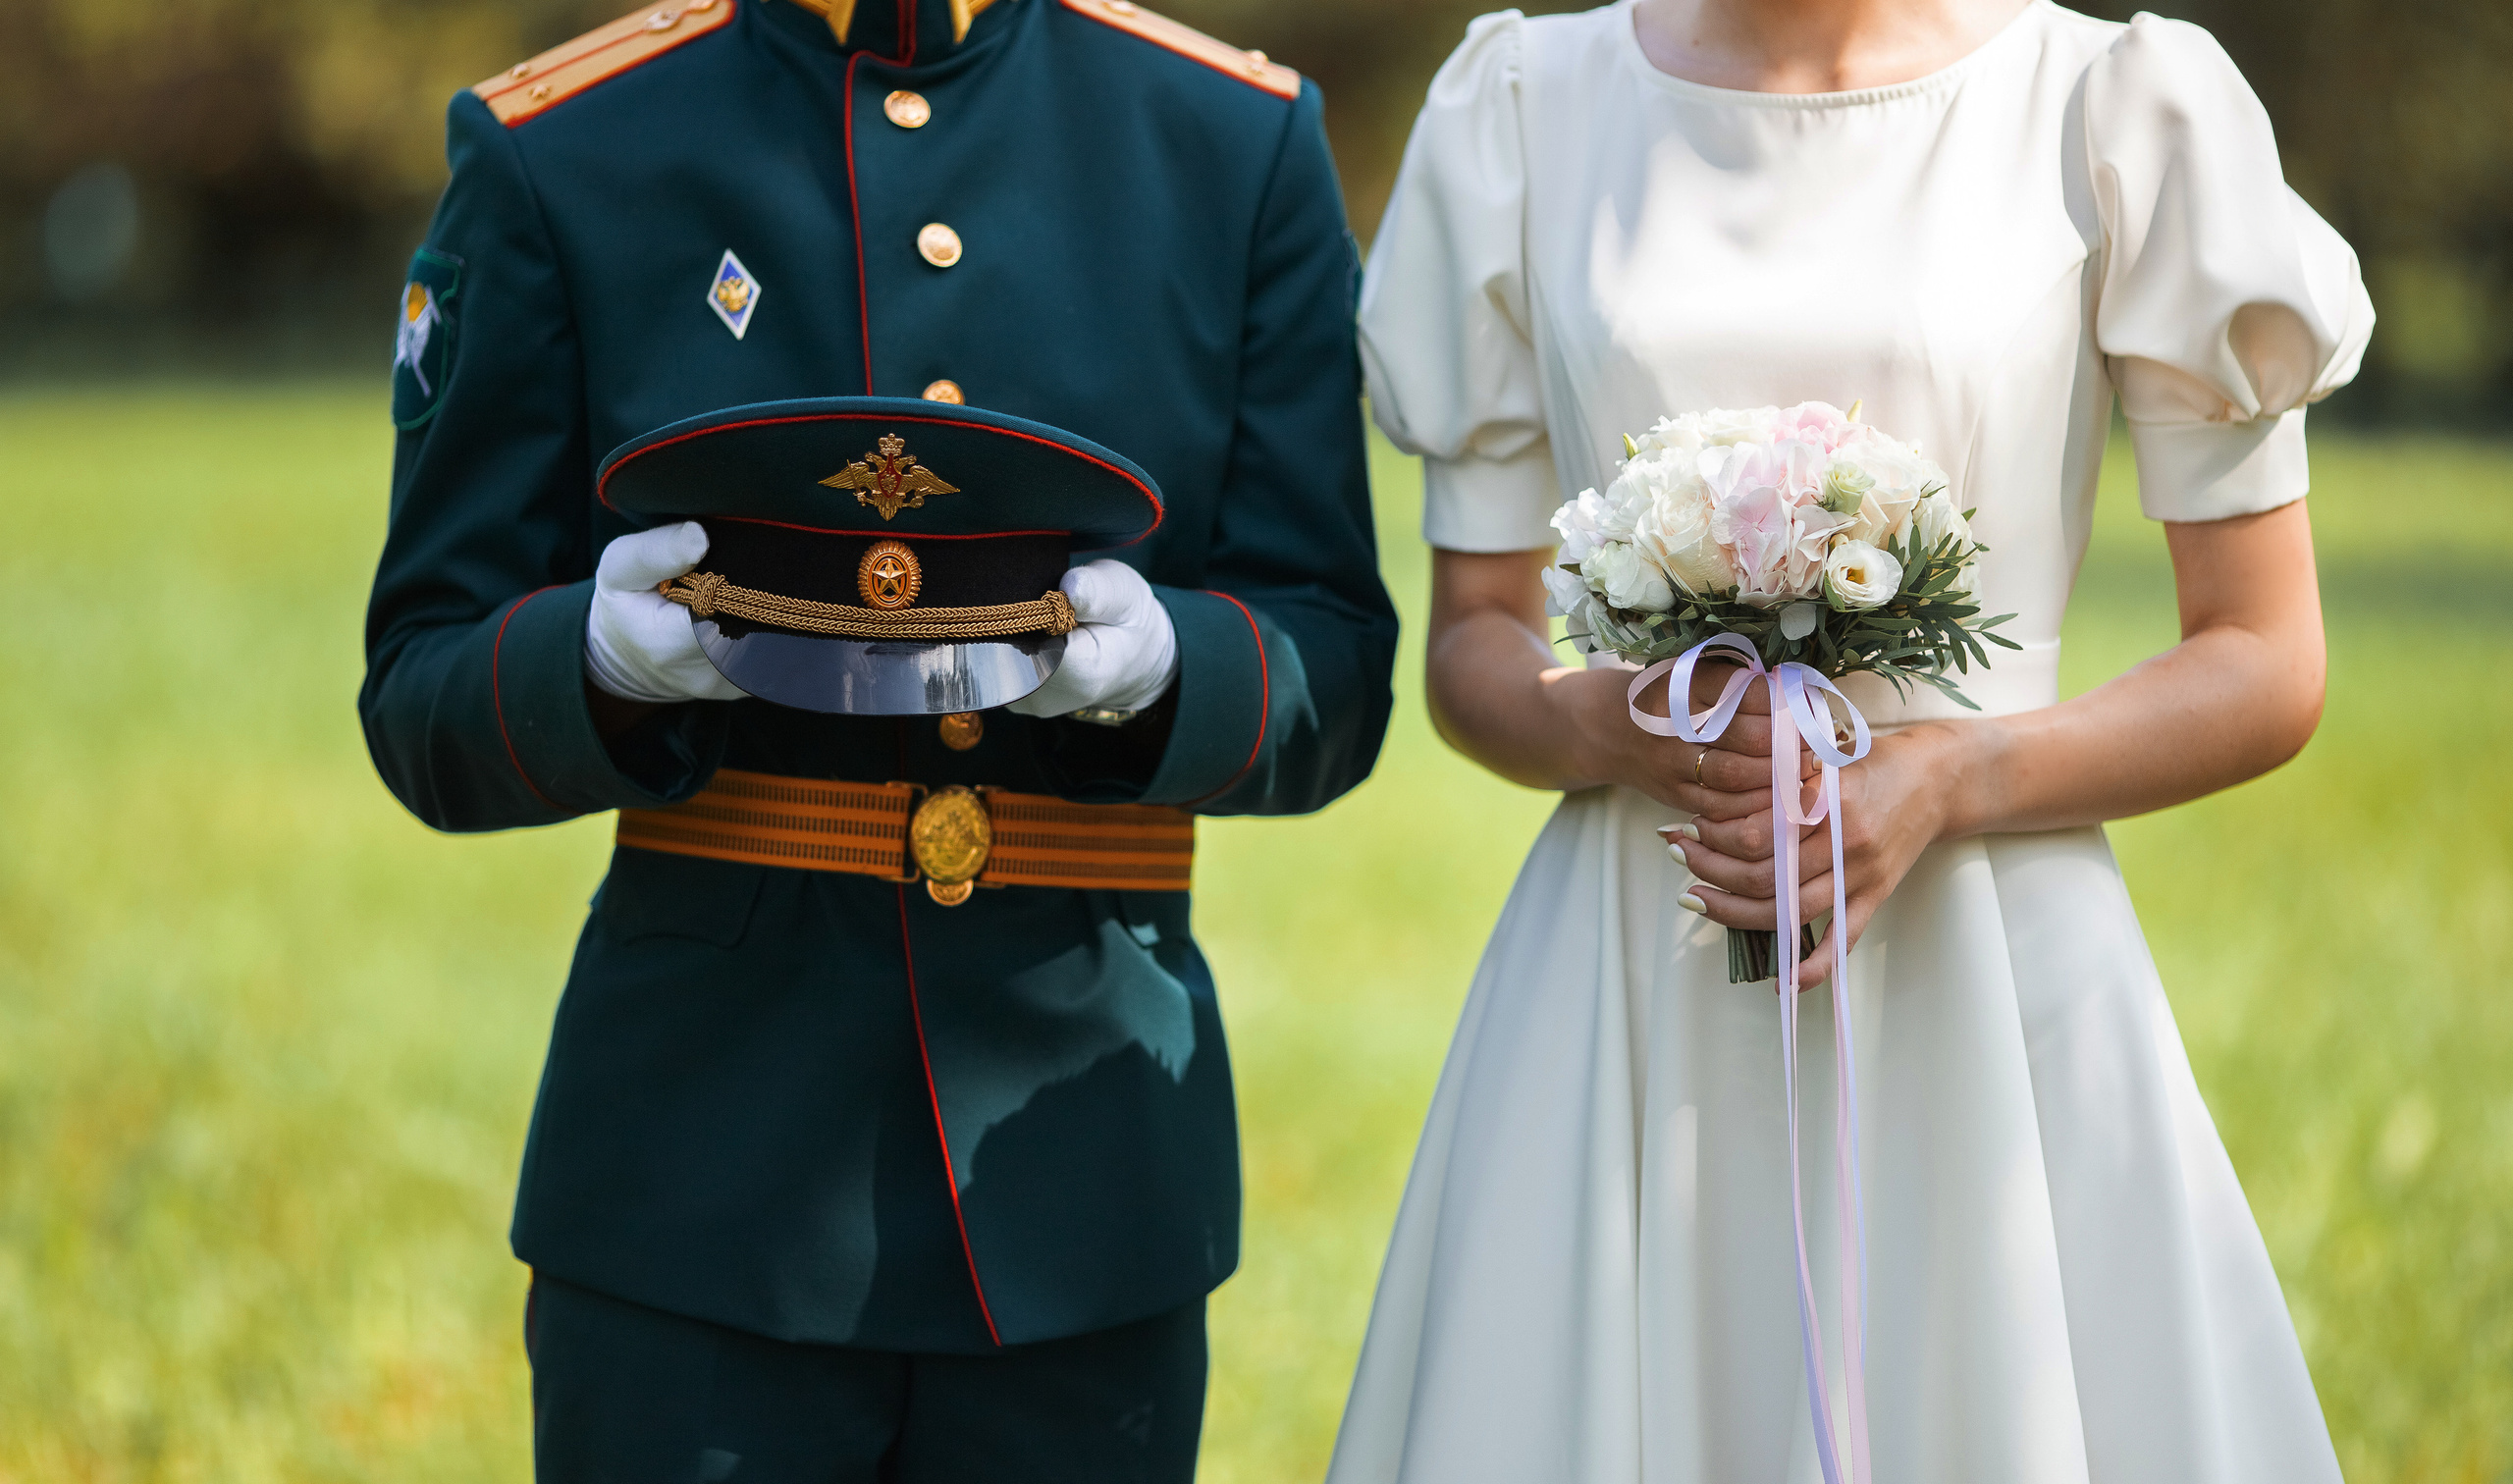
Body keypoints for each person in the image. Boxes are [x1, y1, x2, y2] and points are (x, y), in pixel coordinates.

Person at [358, 0, 1398, 1477]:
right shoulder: (564, 143)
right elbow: (420, 687)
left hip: (1084, 1190)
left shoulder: (1231, 141)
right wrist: (586, 660)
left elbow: (1336, 667)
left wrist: (1170, 670)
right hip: (696, 1200)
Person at [1333, 0, 2372, 1478]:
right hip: (1640, 952)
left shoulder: (2112, 103)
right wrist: (1615, 722)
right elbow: (1469, 646)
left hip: (1993, 959)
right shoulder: (1523, 103)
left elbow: (2267, 659)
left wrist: (1952, 775)